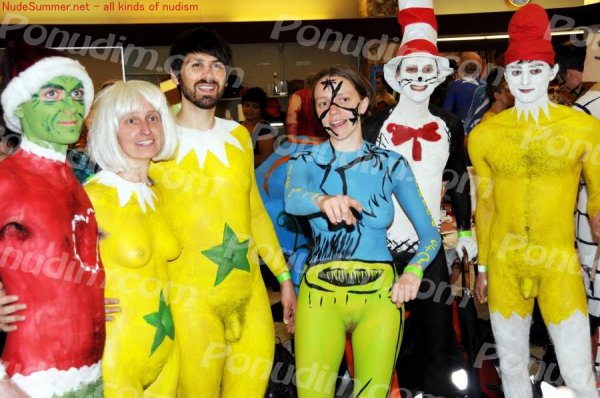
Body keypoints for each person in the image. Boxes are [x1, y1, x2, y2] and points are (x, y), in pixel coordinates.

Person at [149, 27, 296, 397]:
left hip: (250, 297)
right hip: (187, 302)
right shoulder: (153, 137)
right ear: (175, 74)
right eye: (196, 65)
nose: (208, 74)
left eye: (216, 66)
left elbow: (255, 211)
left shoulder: (237, 136)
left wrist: (283, 276)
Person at [286, 65, 441, 398]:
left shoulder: (392, 164)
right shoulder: (305, 161)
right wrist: (323, 200)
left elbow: (431, 235)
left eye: (343, 99)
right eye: (323, 102)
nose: (333, 111)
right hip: (318, 297)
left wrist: (413, 272)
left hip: (380, 298)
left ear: (364, 103)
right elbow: (293, 199)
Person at [469, 5, 600, 397]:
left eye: (535, 70)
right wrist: (482, 265)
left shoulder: (581, 128)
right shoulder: (486, 136)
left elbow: (598, 193)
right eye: (516, 71)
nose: (525, 80)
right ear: (506, 76)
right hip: (506, 264)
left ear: (552, 71)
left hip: (559, 261)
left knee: (578, 372)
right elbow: (486, 204)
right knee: (511, 371)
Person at [362, 1, 475, 395]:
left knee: (437, 332)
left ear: (438, 75)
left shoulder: (450, 124)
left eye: (428, 69)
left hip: (429, 247)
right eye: (412, 68)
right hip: (380, 246)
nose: (420, 77)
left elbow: (458, 178)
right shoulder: (374, 125)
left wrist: (464, 233)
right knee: (384, 336)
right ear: (397, 76)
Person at [0, 42, 105, 396]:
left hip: (91, 371)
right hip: (30, 377)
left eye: (76, 93)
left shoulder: (75, 183)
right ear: (20, 108)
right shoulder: (7, 179)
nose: (70, 106)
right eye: (51, 94)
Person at [84, 80, 181, 396]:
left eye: (153, 118)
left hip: (166, 351)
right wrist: (81, 303)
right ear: (110, 130)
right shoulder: (92, 197)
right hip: (115, 356)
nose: (146, 129)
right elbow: (43, 265)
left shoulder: (157, 193)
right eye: (131, 120)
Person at [240, 87, 276, 167]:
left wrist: (239, 157)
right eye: (247, 105)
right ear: (242, 106)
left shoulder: (265, 129)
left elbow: (266, 159)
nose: (250, 110)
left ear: (261, 110)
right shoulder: (237, 126)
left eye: (255, 107)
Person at [286, 74, 328, 138]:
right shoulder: (327, 95)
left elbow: (291, 115)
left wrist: (291, 137)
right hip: (325, 140)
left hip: (304, 141)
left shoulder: (299, 95)